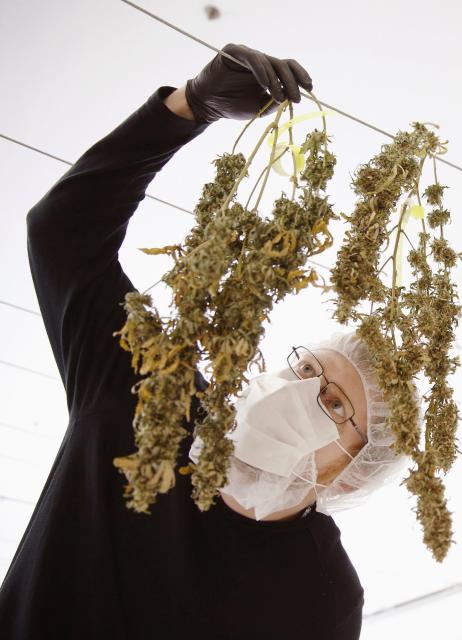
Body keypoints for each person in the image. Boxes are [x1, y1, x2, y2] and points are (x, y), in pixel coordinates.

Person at [0, 43, 411, 639]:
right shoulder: (153, 392)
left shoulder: (321, 595)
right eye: (304, 372)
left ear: (350, 473)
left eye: (334, 405)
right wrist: (190, 106)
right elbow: (62, 233)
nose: (298, 395)